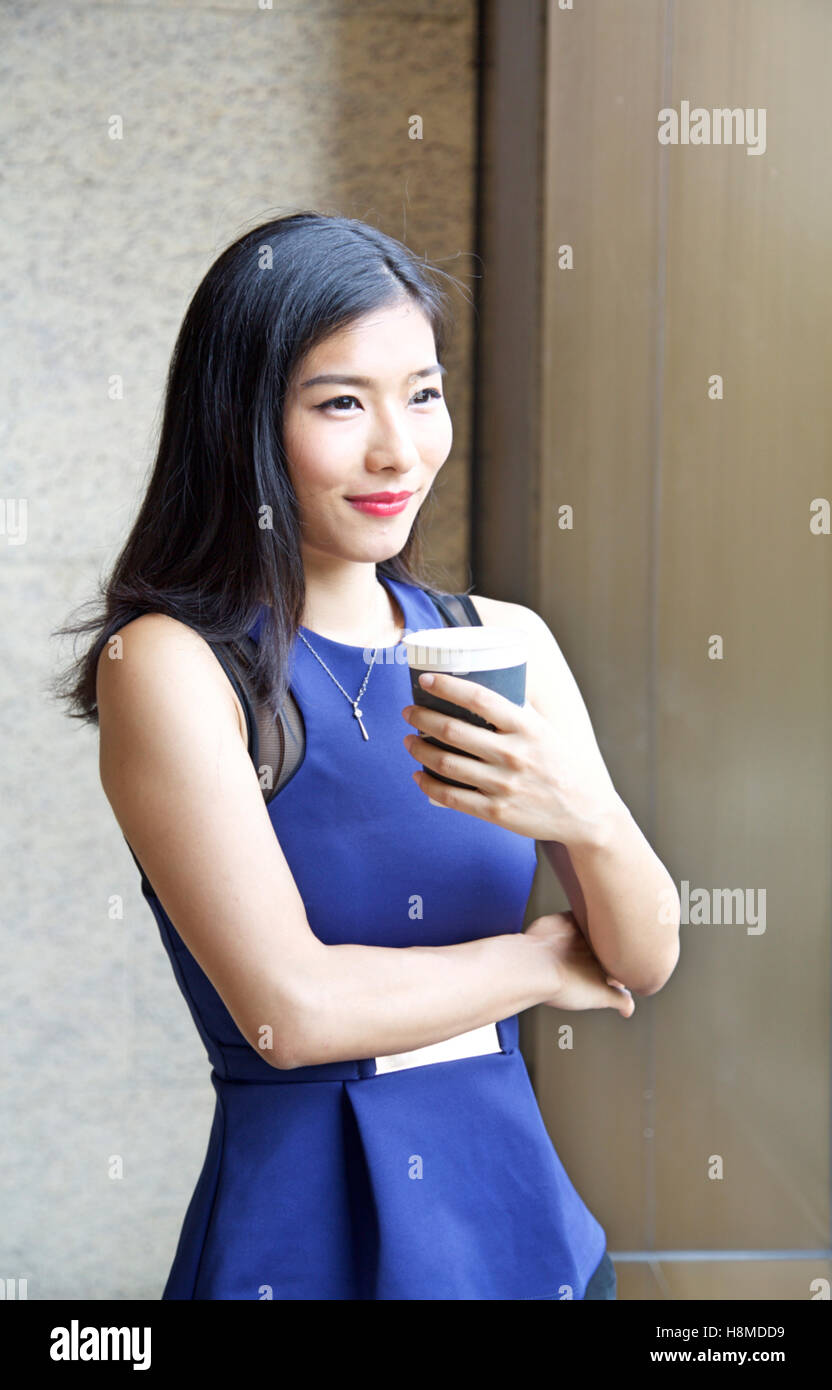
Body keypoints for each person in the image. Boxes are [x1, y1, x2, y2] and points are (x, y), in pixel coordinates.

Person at [54, 211, 680, 1300]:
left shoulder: (502, 638)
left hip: (518, 1222)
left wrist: (588, 814)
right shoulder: (168, 663)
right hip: (302, 1236)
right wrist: (538, 963)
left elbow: (641, 957)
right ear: (243, 419)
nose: (400, 448)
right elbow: (291, 1014)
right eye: (341, 402)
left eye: (422, 392)